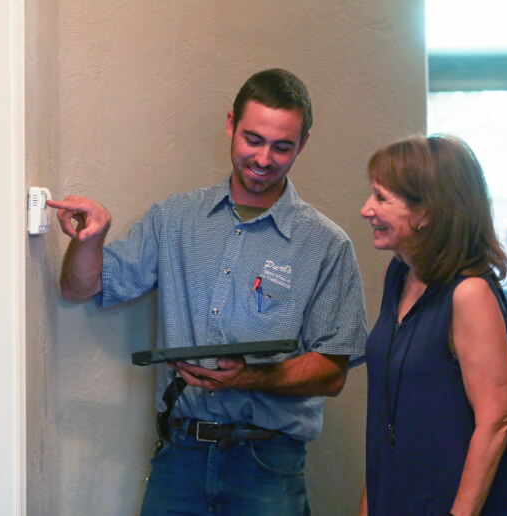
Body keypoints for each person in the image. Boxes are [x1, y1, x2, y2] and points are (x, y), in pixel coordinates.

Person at [48, 68, 367, 516]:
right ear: (230, 124)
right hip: (180, 456)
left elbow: (333, 372)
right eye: (253, 139)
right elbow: (81, 286)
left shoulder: (326, 245)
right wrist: (91, 240)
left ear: (304, 143)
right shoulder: (175, 219)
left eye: (282, 147)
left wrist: (252, 376)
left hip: (268, 464)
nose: (263, 158)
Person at [357, 135, 507, 515]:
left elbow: (495, 423)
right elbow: (389, 410)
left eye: (381, 199)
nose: (366, 209)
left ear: (426, 213)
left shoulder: (470, 294)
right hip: (395, 496)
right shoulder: (398, 275)